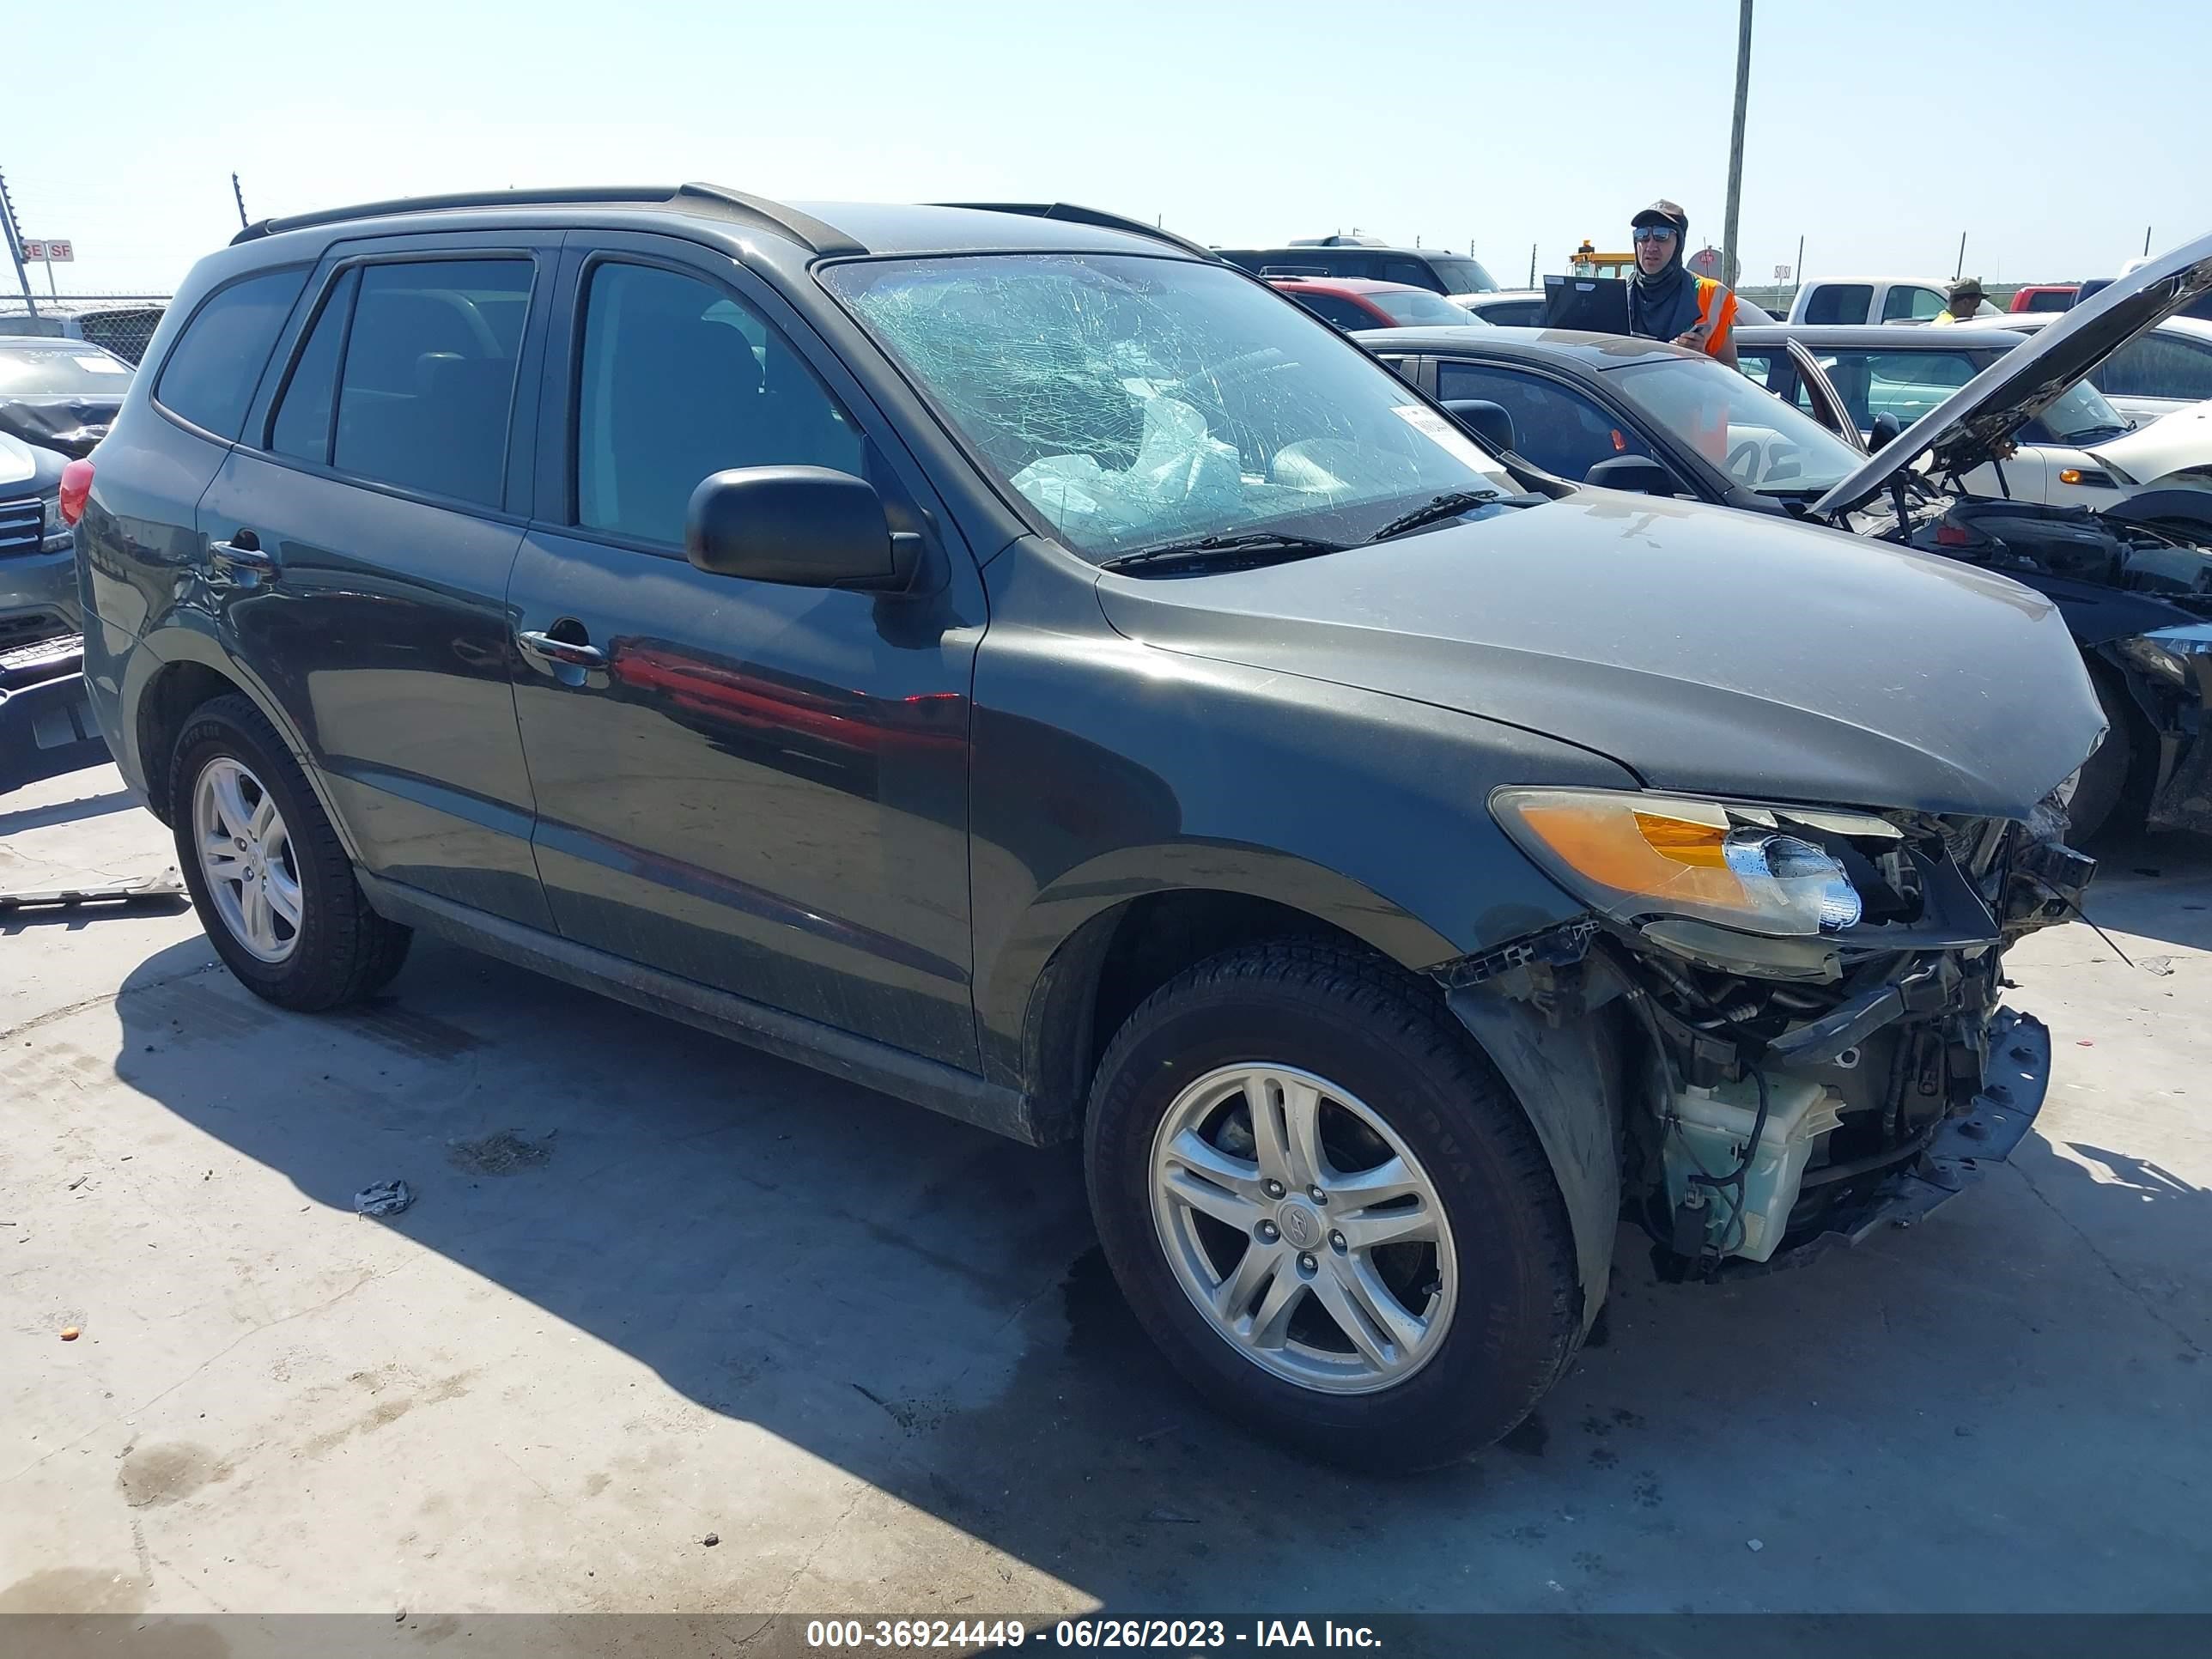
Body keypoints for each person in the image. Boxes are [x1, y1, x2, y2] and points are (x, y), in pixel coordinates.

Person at [1625, 200, 1739, 368]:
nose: (1650, 246)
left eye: (1661, 236)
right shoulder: (1617, 292)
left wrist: (1701, 356)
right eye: (1642, 236)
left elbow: (1734, 371)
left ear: (1679, 242)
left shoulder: (1711, 295)